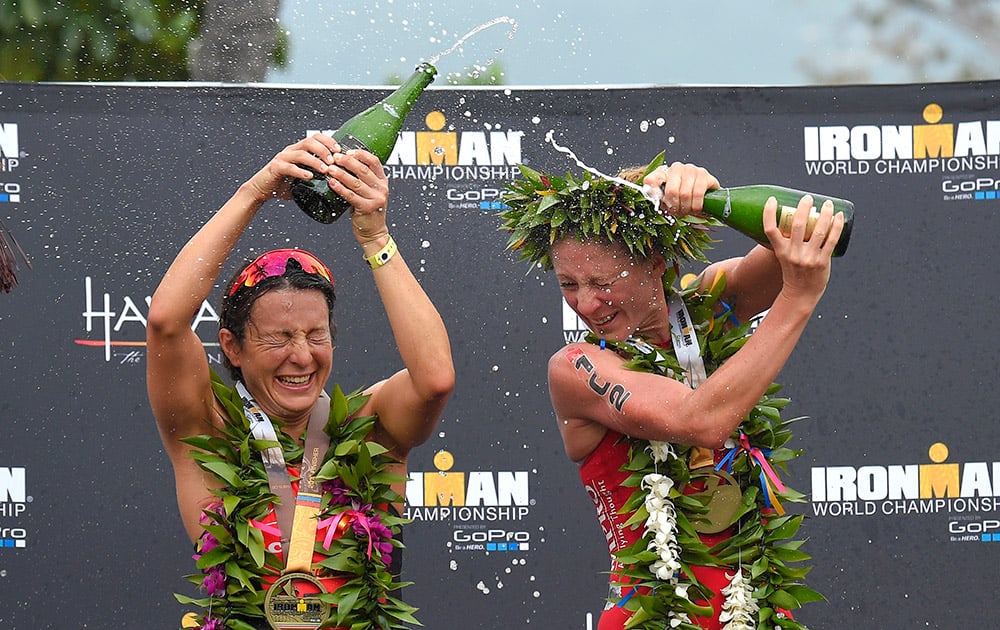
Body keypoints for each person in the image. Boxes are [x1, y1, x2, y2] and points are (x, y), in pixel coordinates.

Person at [500, 158, 842, 629]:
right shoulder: (577, 367)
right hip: (655, 617)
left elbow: (810, 229)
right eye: (569, 284)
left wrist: (708, 197)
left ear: (655, 262)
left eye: (602, 282)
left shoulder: (709, 307)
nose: (585, 303)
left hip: (755, 609)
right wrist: (799, 299)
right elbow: (699, 421)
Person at [146, 133, 455, 629]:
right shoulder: (209, 434)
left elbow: (435, 378)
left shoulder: (368, 428)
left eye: (316, 335)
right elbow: (165, 321)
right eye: (278, 339)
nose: (301, 356)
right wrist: (256, 190)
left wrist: (376, 238)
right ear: (232, 348)